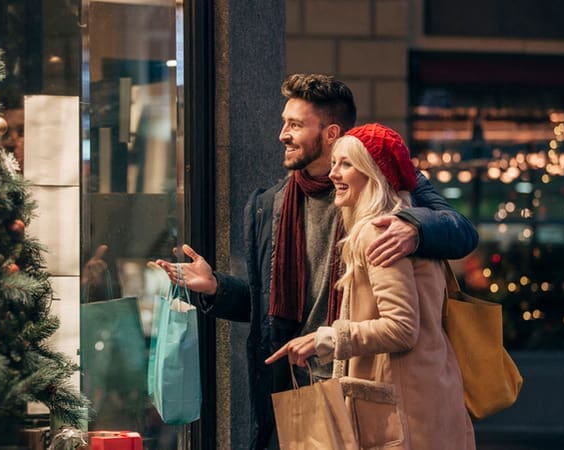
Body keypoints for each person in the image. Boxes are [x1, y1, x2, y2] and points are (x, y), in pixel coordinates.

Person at [156, 74, 478, 450]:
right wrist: (216, 288)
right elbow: (269, 305)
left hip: (368, 383)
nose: (282, 134)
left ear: (330, 133)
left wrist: (413, 227)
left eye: (295, 124)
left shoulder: (388, 190)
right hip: (303, 384)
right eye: (283, 122)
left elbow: (462, 232)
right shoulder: (270, 205)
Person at [265, 123, 476, 450]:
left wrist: (326, 338)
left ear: (375, 173)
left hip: (406, 417)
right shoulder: (405, 223)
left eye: (346, 164)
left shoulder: (379, 231)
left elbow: (402, 328)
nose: (333, 173)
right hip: (427, 398)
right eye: (334, 162)